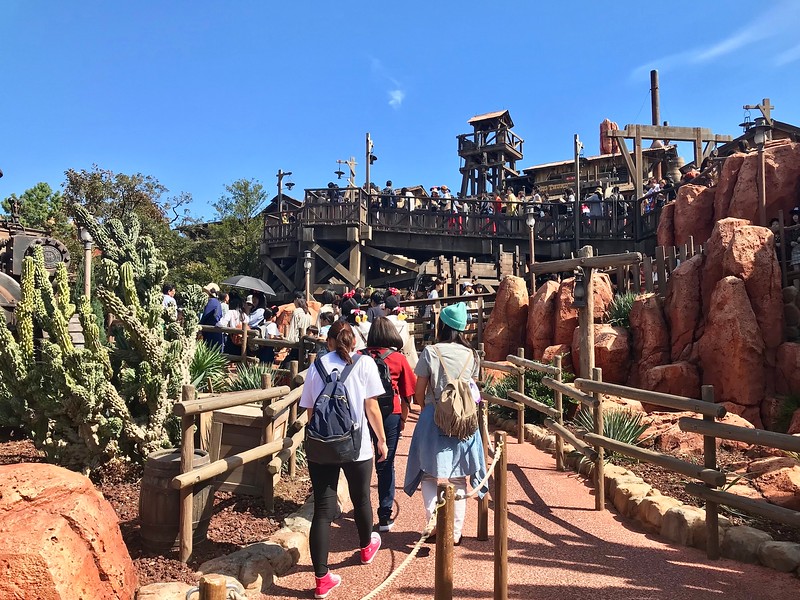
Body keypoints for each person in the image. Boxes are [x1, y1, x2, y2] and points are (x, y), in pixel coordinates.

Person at [299, 320, 388, 599]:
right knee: (361, 498)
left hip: (322, 446)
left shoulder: (317, 366)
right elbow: (371, 407)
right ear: (354, 342)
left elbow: (311, 411)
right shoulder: (365, 364)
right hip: (356, 445)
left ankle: (322, 578)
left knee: (322, 509)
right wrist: (382, 440)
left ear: (329, 343)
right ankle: (365, 548)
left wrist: (319, 442)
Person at [404, 302, 486, 545]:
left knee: (429, 475)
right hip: (463, 421)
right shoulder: (472, 355)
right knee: (459, 477)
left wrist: (426, 406)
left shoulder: (431, 352)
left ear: (443, 325)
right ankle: (455, 532)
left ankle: (435, 523)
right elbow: (472, 389)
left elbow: (419, 390)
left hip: (433, 415)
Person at [362, 317, 417, 531]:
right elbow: (408, 395)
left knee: (363, 460)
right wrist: (403, 419)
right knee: (386, 463)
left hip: (364, 413)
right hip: (390, 413)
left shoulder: (359, 357)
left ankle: (362, 510)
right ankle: (384, 515)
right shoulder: (398, 358)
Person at [384, 294, 418, 368]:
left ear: (388, 309)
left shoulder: (384, 321)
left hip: (385, 356)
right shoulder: (404, 323)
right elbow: (409, 345)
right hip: (401, 355)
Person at [282, 291, 313, 366]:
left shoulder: (297, 312)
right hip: (305, 341)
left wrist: (289, 342)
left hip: (296, 341)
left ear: (296, 300)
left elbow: (293, 327)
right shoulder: (308, 313)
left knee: (287, 364)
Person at [200, 283, 224, 350]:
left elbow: (205, 315)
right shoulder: (217, 302)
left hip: (211, 332)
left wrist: (198, 326)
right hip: (214, 332)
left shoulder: (212, 301)